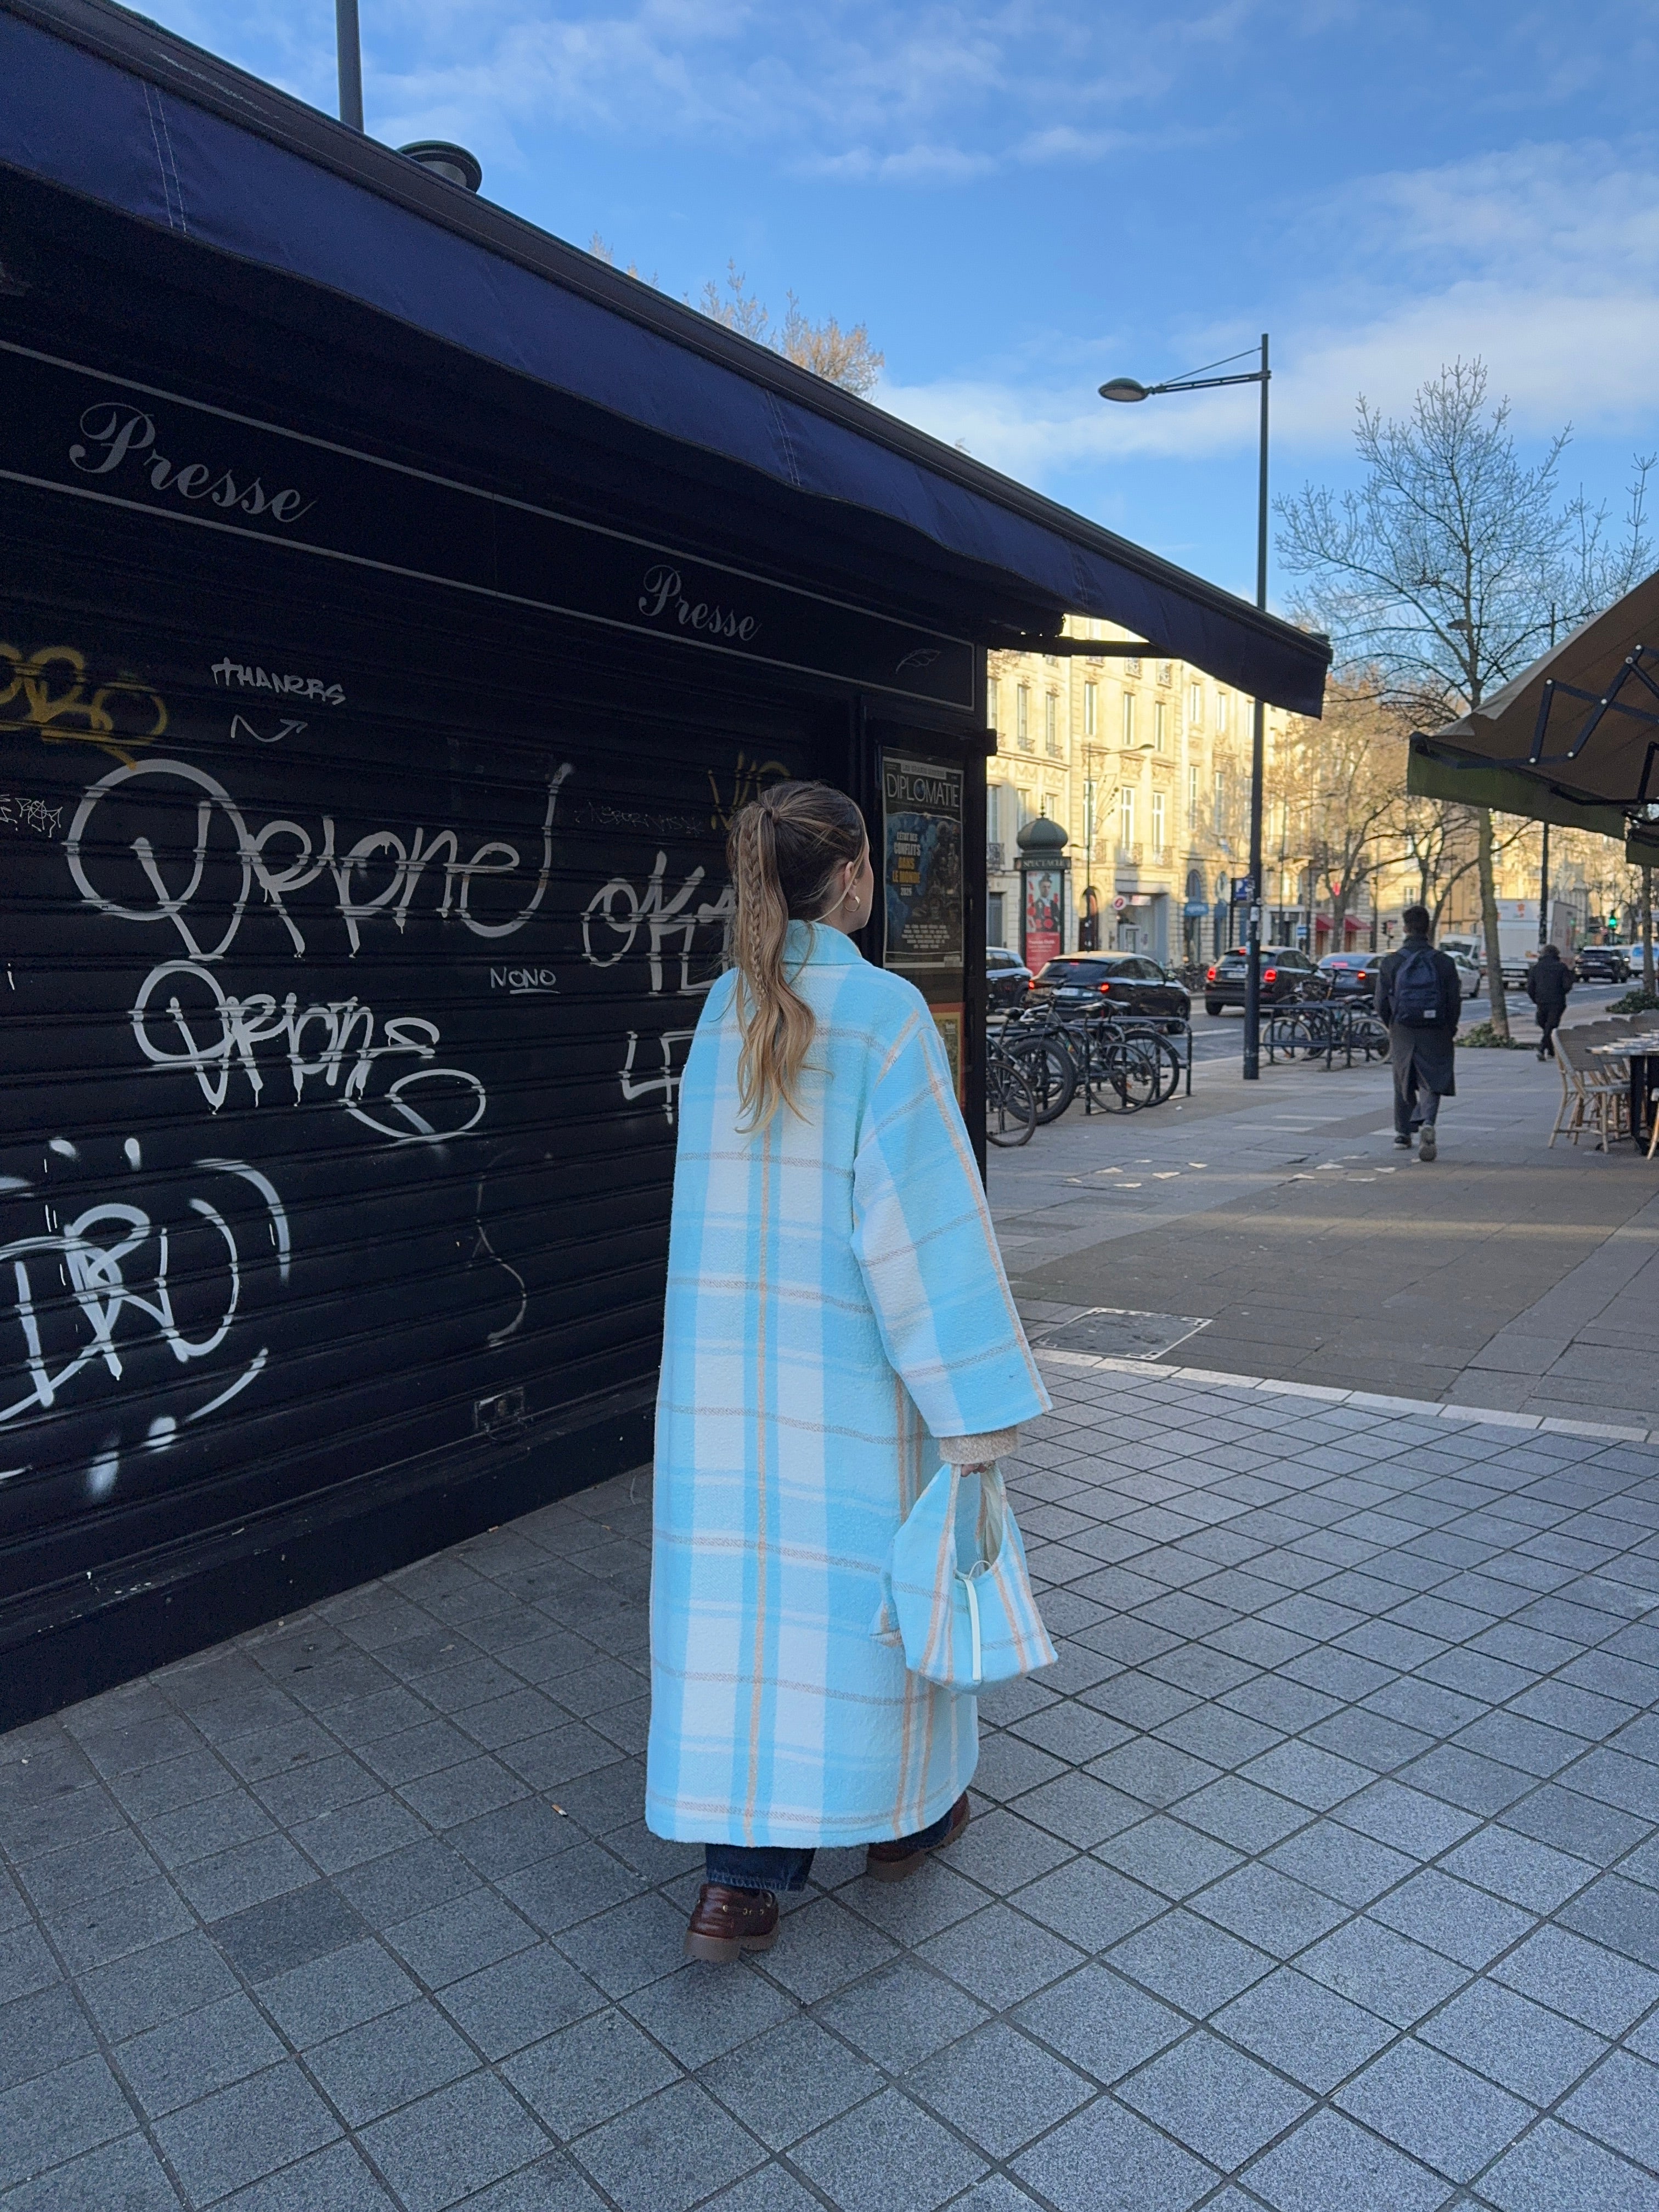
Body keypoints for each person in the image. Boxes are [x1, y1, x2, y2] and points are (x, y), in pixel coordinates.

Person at [647, 779, 1050, 1963]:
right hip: (852, 1392)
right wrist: (975, 1410)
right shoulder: (884, 1018)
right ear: (858, 875)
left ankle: (738, 1888)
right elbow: (924, 1232)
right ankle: (897, 1823)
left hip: (727, 1397)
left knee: (745, 1634)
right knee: (869, 1617)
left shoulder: (725, 1013)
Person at [1375, 906, 1462, 1161]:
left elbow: (1380, 1002)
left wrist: (1392, 1023)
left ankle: (1403, 1134)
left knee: (1402, 1078)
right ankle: (1428, 1123)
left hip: (1403, 1028)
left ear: (1405, 928)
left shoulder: (1391, 962)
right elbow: (1454, 1001)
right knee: (1432, 1080)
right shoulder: (1444, 963)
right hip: (1436, 1029)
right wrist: (1450, 1027)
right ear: (1428, 929)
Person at [1526, 942, 1574, 1059]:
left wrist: (1536, 999)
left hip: (1541, 1001)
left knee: (1545, 1024)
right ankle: (1550, 1049)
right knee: (1551, 1025)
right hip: (1557, 1001)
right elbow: (1567, 985)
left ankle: (1543, 1049)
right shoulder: (1561, 967)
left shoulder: (1536, 968)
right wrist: (1561, 993)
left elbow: (1530, 987)